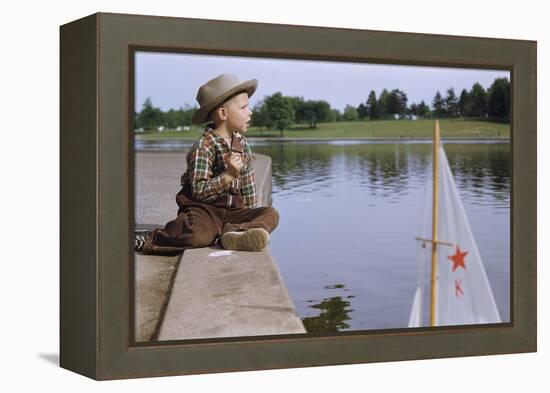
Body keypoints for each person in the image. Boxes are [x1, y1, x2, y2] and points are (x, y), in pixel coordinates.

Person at [134, 74, 279, 255]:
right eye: (244, 107)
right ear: (223, 114)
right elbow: (199, 192)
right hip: (205, 210)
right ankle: (151, 239)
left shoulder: (242, 145)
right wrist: (227, 176)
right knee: (197, 235)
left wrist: (249, 216)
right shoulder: (203, 147)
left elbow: (248, 188)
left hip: (232, 213)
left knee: (271, 213)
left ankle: (234, 233)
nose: (250, 112)